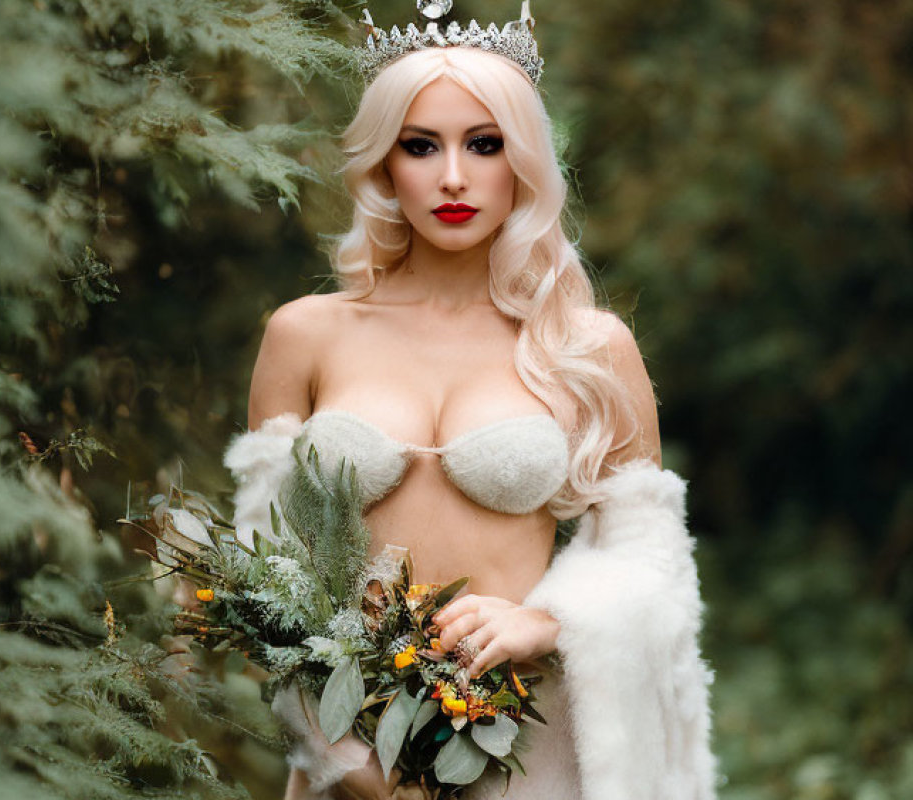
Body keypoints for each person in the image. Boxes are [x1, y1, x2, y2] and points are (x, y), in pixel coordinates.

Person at [227, 5, 716, 799]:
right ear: (385, 164)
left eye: (483, 144)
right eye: (421, 146)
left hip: (527, 749)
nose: (453, 176)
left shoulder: (587, 347)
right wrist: (347, 763)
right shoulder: (304, 335)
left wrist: (547, 622)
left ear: (521, 160)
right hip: (349, 757)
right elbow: (263, 577)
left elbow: (653, 564)